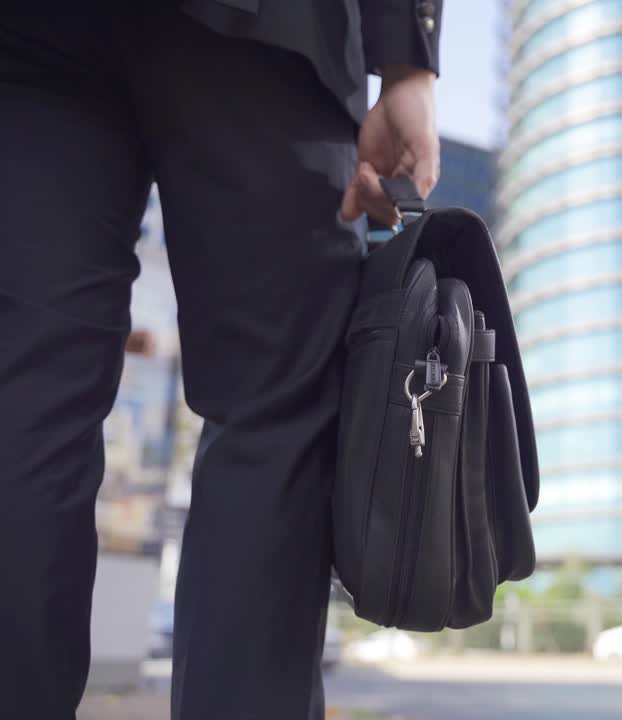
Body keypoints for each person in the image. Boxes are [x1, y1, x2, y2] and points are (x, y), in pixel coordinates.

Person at [0, 1, 444, 717]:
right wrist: (409, 61)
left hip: (32, 38)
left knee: (22, 399)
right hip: (270, 31)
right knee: (274, 413)